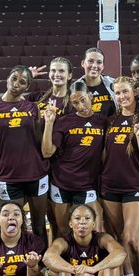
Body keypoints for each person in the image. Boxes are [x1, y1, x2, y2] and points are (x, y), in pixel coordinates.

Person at [0, 65, 50, 240]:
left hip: (36, 174)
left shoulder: (32, 108)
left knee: (39, 226)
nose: (16, 84)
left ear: (27, 87)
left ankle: (41, 259)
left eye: (22, 82)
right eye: (14, 78)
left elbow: (39, 141)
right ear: (7, 78)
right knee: (11, 226)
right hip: (9, 176)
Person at [100, 76, 139, 276]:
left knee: (131, 238)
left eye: (125, 91)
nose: (122, 96)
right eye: (118, 93)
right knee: (119, 238)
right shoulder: (110, 121)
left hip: (135, 185)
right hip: (109, 186)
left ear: (134, 92)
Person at [41, 81, 105, 237]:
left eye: (83, 100)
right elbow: (47, 152)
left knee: (92, 232)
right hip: (61, 182)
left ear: (90, 96)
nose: (80, 106)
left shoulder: (103, 121)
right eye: (75, 103)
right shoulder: (64, 122)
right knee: (64, 232)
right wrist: (49, 123)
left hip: (86, 184)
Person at [70, 47, 116, 118]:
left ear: (103, 66)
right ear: (83, 63)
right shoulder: (73, 88)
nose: (94, 66)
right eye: (90, 61)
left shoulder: (114, 84)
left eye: (99, 62)